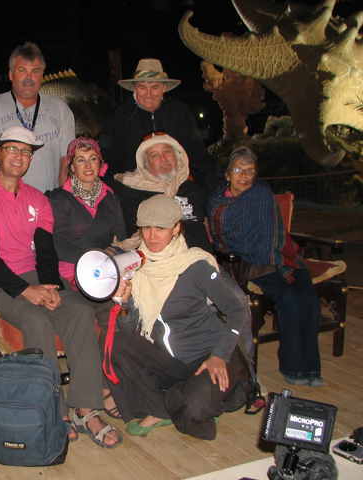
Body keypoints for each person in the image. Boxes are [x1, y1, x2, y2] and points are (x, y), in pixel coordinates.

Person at [0, 126, 122, 448]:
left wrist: (50, 285)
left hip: (38, 277)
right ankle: (54, 410)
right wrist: (26, 290)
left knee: (77, 310)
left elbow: (46, 249)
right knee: (36, 321)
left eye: (26, 152)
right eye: (12, 149)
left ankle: (85, 406)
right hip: (0, 285)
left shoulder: (38, 198)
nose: (19, 157)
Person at [108, 194, 246, 440]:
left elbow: (237, 310)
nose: (151, 236)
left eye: (160, 228)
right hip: (172, 362)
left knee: (195, 408)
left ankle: (187, 398)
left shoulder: (194, 265)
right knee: (117, 345)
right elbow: (130, 332)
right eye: (146, 227)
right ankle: (165, 407)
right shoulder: (137, 267)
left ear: (176, 228)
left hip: (209, 356)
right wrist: (125, 302)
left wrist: (219, 355)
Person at [207, 147, 324, 387]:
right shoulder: (217, 203)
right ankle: (292, 368)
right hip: (248, 264)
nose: (245, 175)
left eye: (250, 170)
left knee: (310, 301)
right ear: (228, 174)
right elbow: (223, 239)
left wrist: (275, 255)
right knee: (290, 299)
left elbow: (274, 231)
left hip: (282, 257)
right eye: (239, 169)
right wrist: (256, 252)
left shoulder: (261, 192)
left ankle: (311, 368)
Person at [47, 136, 126, 419]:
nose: (87, 165)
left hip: (103, 274)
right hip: (70, 275)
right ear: (71, 166)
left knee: (121, 313)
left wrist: (111, 252)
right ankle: (95, 395)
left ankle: (110, 384)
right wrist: (96, 254)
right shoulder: (59, 199)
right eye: (80, 159)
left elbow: (122, 240)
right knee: (85, 312)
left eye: (93, 158)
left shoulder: (111, 198)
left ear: (101, 164)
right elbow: (59, 246)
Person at [100, 58, 221, 193]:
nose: (149, 94)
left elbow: (199, 156)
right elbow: (108, 164)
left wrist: (219, 190)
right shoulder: (117, 116)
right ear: (135, 88)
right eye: (142, 87)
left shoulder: (179, 111)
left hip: (178, 187)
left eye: (155, 87)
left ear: (164, 88)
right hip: (134, 191)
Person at [0, 42, 75, 193]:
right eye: (22, 70)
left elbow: (66, 161)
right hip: (2, 203)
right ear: (11, 74)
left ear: (42, 75)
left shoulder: (61, 109)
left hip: (47, 202)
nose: (29, 77)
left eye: (35, 71)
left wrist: (63, 199)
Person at [113, 132, 212, 248]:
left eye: (166, 152)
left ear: (176, 156)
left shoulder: (195, 190)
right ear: (146, 164)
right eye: (155, 155)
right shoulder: (128, 192)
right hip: (153, 259)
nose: (163, 159)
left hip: (196, 257)